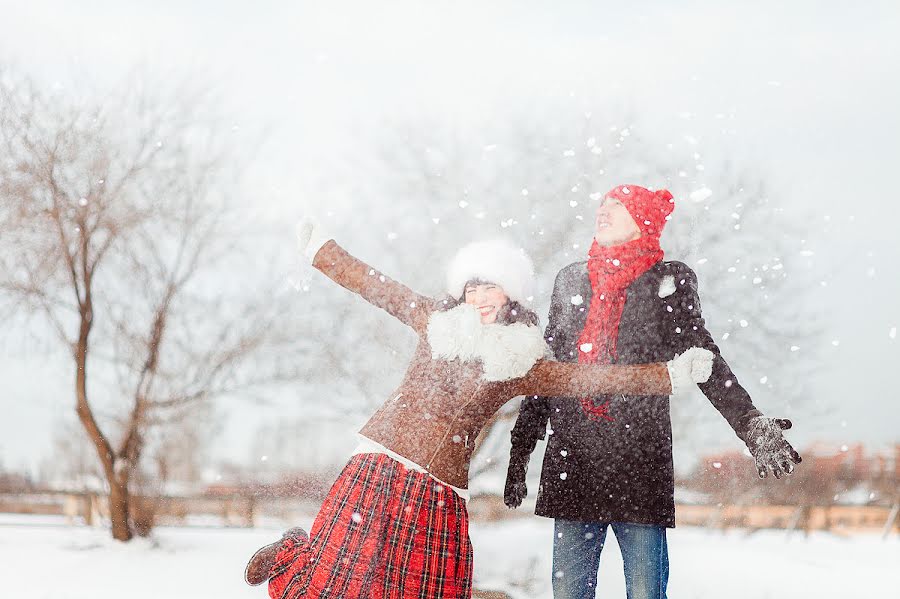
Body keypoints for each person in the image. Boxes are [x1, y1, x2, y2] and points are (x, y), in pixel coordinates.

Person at [244, 221, 715, 599]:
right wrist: (323, 252)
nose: (480, 298)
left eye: (490, 289)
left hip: (445, 480)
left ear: (510, 295)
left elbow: (583, 378)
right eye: (472, 289)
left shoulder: (520, 361)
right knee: (342, 575)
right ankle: (291, 553)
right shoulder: (435, 322)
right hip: (385, 460)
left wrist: (666, 375)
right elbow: (378, 288)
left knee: (428, 585)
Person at [504, 184, 802, 599]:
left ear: (642, 220)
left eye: (617, 206)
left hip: (638, 462)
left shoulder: (668, 280)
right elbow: (547, 370)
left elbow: (702, 357)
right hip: (573, 460)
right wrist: (521, 449)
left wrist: (749, 424)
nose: (603, 211)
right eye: (602, 204)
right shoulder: (571, 279)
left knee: (646, 592)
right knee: (569, 593)